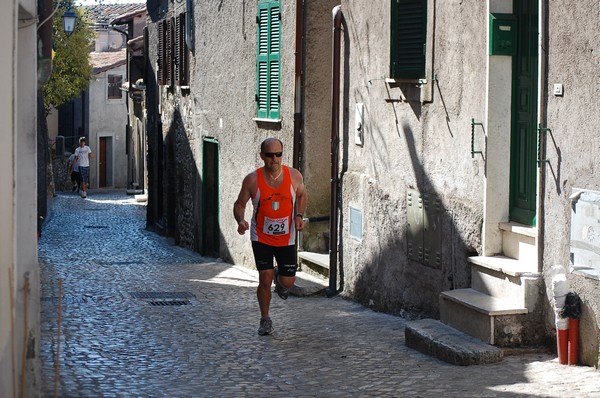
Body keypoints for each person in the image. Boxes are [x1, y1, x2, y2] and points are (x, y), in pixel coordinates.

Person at [233, 137, 308, 336]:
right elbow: (239, 204)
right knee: (264, 280)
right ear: (262, 156)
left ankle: (279, 275)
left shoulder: (294, 176)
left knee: (288, 283)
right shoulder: (252, 180)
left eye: (278, 154)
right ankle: (265, 319)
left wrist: (299, 216)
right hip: (261, 237)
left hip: (287, 238)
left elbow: (301, 195)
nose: (274, 159)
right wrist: (240, 221)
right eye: (269, 155)